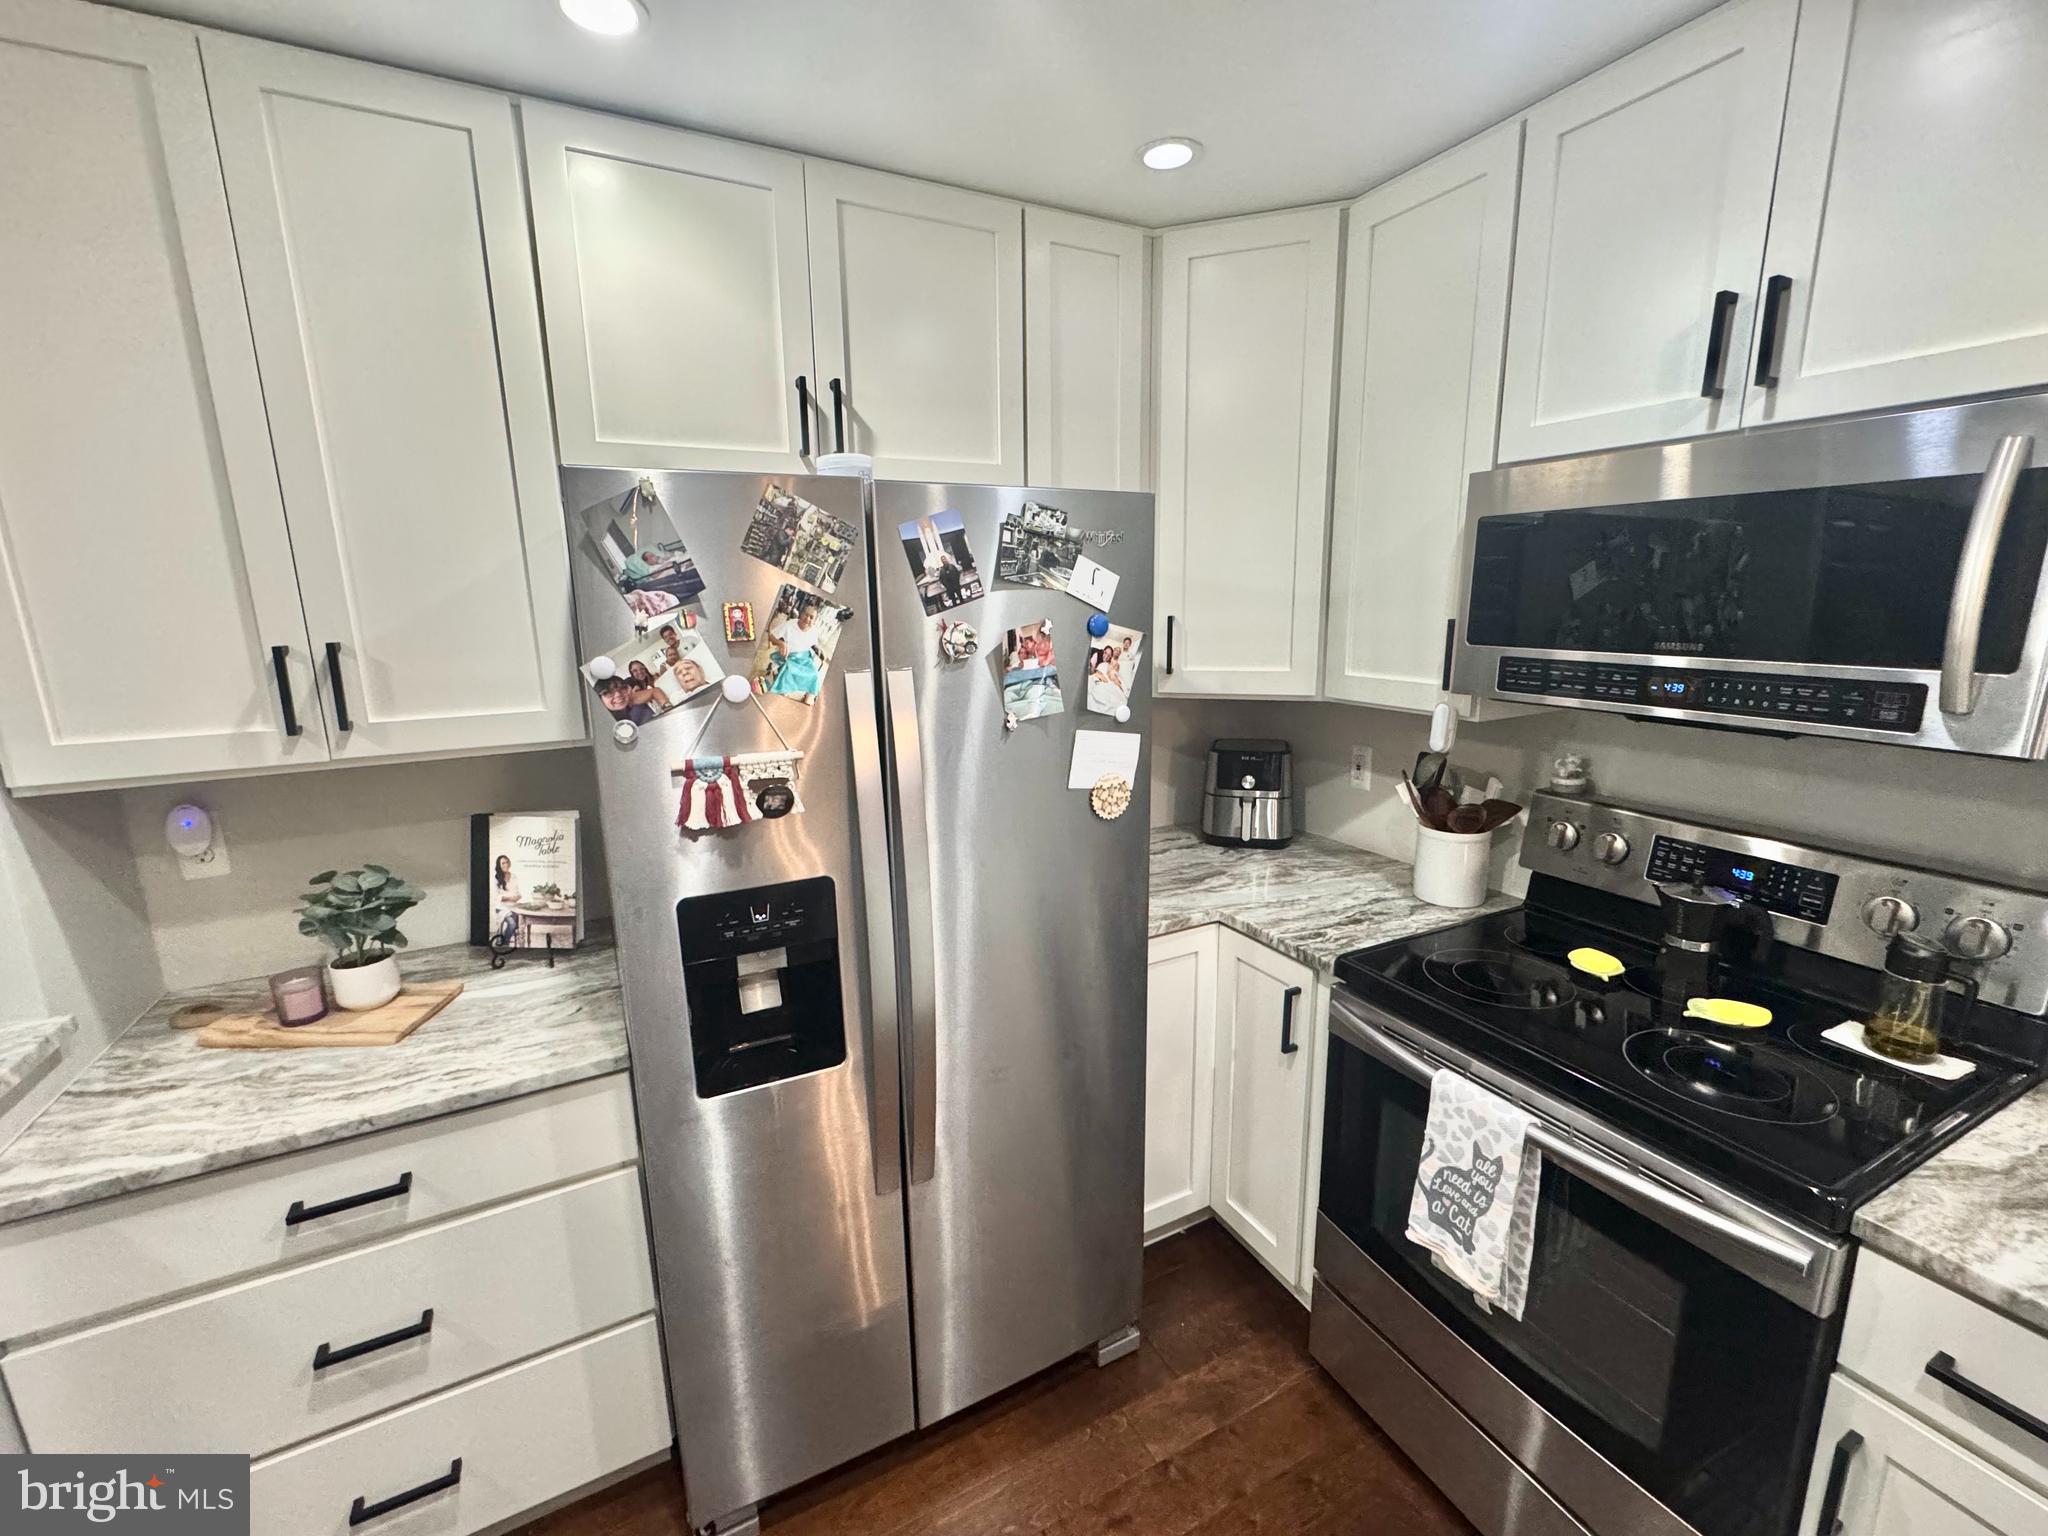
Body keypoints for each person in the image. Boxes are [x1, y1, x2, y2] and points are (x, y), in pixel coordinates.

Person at [767, 600, 827, 699]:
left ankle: (807, 697)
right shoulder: (789, 625)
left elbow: (813, 644)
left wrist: (818, 649)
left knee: (815, 675)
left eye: (811, 617)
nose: (807, 619)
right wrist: (781, 643)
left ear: (814, 620)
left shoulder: (814, 631)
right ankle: (781, 695)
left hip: (805, 659)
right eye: (806, 615)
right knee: (788, 673)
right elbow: (771, 637)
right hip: (789, 656)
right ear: (801, 614)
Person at [492, 853, 522, 949]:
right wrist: (510, 898)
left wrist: (518, 896)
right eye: (503, 863)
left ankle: (503, 938)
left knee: (521, 921)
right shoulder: (496, 879)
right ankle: (505, 943)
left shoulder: (514, 876)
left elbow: (516, 892)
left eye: (507, 862)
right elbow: (496, 897)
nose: (506, 865)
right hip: (501, 908)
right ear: (499, 866)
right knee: (512, 924)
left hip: (513, 906)